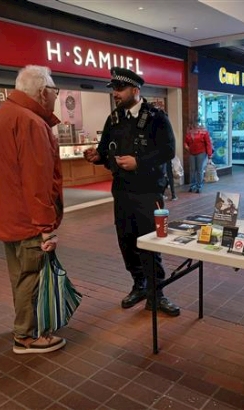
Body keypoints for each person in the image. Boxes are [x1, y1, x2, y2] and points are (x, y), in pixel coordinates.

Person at [0, 65, 66, 354]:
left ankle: (25, 329)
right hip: (28, 219)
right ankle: (27, 336)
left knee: (20, 276)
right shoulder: (30, 123)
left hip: (7, 217)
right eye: (54, 90)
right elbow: (37, 181)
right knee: (32, 277)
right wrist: (46, 228)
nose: (55, 96)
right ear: (42, 92)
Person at [84, 67, 180, 317]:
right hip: (122, 191)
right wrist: (97, 156)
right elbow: (105, 150)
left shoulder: (156, 117)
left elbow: (168, 150)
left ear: (135, 90)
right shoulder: (114, 119)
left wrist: (139, 162)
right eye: (113, 89)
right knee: (126, 241)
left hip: (149, 192)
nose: (115, 93)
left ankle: (157, 294)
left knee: (150, 241)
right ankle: (140, 285)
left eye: (120, 89)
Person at [184, 123, 213, 193]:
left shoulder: (204, 132)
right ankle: (192, 185)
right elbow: (186, 142)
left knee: (199, 170)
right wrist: (186, 146)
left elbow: (208, 143)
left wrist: (209, 154)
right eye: (194, 125)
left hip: (201, 152)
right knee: (192, 170)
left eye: (197, 125)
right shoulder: (190, 133)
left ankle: (199, 186)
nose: (196, 126)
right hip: (192, 153)